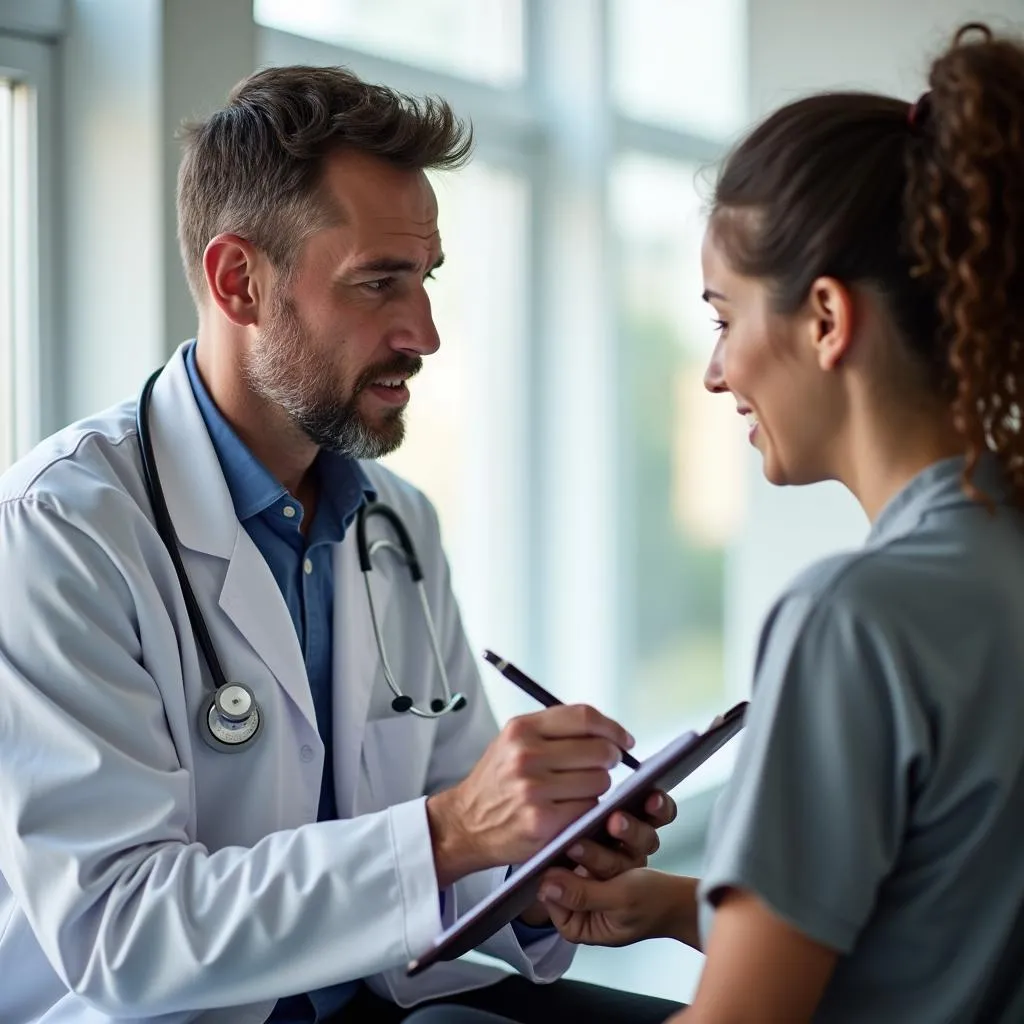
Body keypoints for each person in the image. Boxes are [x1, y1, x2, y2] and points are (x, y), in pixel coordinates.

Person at [0, 66, 682, 1024]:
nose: (426, 332)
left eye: (426, 279)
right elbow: (118, 934)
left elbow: (452, 840)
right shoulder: (61, 531)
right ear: (239, 280)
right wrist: (449, 834)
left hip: (383, 1002)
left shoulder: (396, 523)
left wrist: (542, 856)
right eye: (379, 284)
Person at [428, 21, 1024, 1024]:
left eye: (722, 317)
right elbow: (935, 919)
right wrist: (669, 906)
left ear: (826, 321)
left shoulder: (854, 614)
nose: (714, 371)